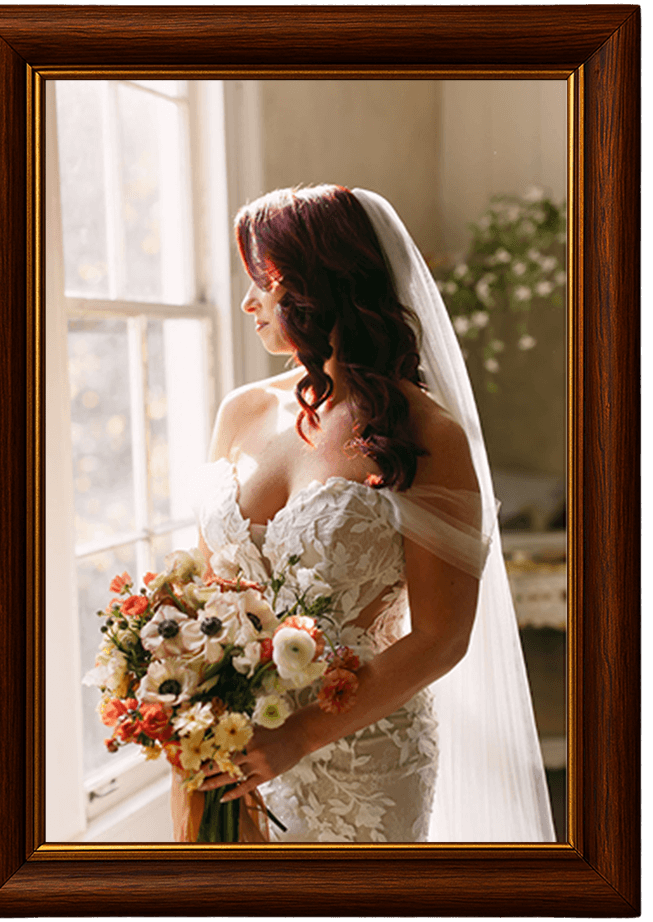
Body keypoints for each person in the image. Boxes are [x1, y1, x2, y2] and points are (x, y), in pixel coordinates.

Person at [172, 184, 555, 843]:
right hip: (236, 745)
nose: (247, 302)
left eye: (266, 282)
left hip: (362, 757)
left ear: (323, 287)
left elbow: (441, 635)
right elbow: (215, 593)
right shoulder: (240, 412)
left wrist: (299, 736)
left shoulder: (426, 434)